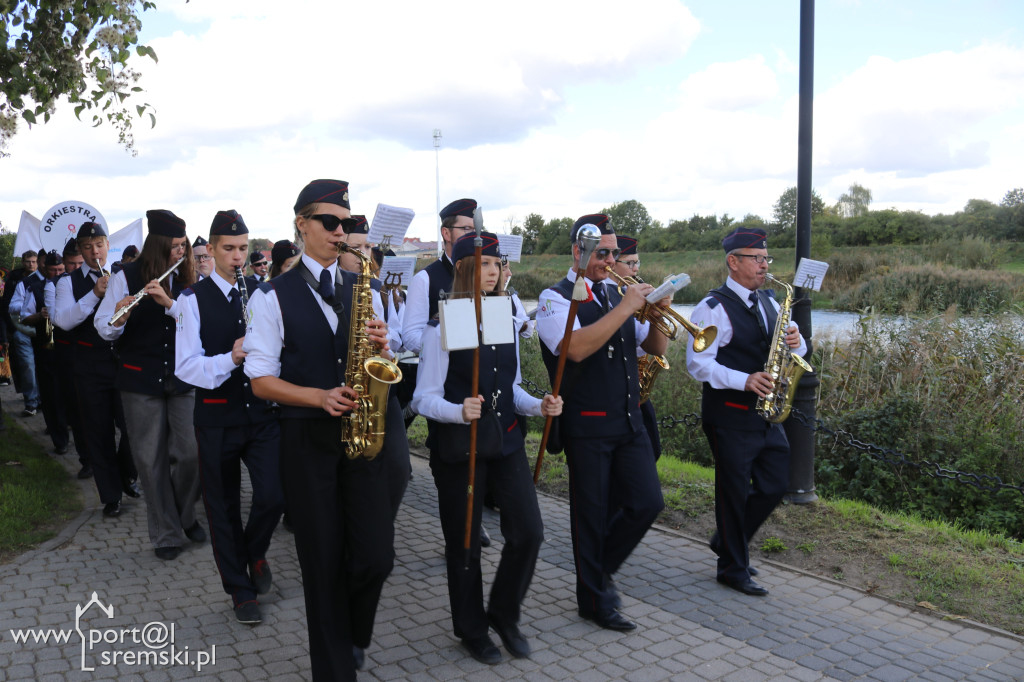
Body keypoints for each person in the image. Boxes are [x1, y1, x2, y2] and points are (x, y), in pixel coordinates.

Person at [243, 179, 399, 680]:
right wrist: (317, 396)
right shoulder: (271, 297)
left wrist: (383, 349)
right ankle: (334, 667)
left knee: (376, 557)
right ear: (302, 224)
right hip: (307, 444)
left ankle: (353, 634)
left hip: (361, 440)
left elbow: (379, 359)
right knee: (323, 565)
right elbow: (261, 381)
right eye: (329, 222)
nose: (339, 232)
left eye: (346, 224)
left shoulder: (364, 288)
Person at [413, 231, 561, 664]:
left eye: (497, 264)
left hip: (506, 439)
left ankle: (503, 611)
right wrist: (459, 411)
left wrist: (539, 404)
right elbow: (424, 398)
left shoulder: (506, 315)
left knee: (529, 532)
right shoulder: (444, 326)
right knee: (465, 543)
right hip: (461, 445)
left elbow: (509, 388)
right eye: (483, 265)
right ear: (463, 271)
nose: (493, 273)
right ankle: (471, 628)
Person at [536, 214, 669, 631]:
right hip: (588, 423)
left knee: (648, 502)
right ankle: (593, 597)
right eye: (603, 253)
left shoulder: (617, 293)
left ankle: (596, 576)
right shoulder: (553, 298)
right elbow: (573, 348)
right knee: (590, 517)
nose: (611, 260)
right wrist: (628, 306)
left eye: (615, 253)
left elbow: (651, 346)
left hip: (629, 419)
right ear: (579, 252)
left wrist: (658, 315)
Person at [175, 210, 284, 625]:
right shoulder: (191, 300)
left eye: (243, 249)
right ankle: (240, 591)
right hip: (217, 417)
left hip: (260, 414)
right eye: (229, 249)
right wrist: (231, 356)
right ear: (212, 250)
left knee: (274, 494)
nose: (238, 257)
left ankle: (253, 553)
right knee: (222, 508)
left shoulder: (260, 291)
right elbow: (187, 367)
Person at [686, 227, 806, 597]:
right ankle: (732, 568)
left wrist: (799, 341)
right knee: (733, 493)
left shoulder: (771, 301)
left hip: (766, 413)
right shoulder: (711, 307)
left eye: (766, 258)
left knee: (773, 484)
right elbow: (697, 364)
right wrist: (744, 380)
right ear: (732, 262)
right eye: (756, 259)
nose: (764, 265)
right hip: (729, 413)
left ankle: (726, 539)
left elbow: (792, 348)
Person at [95, 210, 203, 559]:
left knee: (190, 454)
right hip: (139, 379)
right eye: (174, 247)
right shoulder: (125, 277)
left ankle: (184, 515)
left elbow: (199, 327)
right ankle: (166, 533)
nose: (180, 253)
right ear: (156, 246)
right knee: (150, 459)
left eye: (183, 246)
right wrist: (121, 317)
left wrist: (170, 304)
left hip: (183, 377)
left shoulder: (190, 278)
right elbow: (104, 326)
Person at [401, 198, 493, 546]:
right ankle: (460, 526)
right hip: (443, 382)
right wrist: (441, 334)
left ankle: (472, 517)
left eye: (475, 229)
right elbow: (409, 335)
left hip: (479, 381)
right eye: (466, 229)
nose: (473, 235)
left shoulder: (485, 270)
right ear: (446, 233)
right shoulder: (426, 278)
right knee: (450, 457)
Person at [54, 222, 141, 503]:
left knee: (132, 428)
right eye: (88, 247)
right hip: (89, 367)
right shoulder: (68, 282)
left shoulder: (123, 275)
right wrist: (95, 294)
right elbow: (64, 321)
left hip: (122, 363)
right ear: (80, 249)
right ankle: (111, 496)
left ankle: (126, 473)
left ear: (107, 246)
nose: (95, 252)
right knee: (99, 431)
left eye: (100, 245)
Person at [337, 214, 410, 521]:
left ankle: (378, 527)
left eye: (367, 246)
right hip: (343, 391)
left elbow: (391, 339)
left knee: (398, 468)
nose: (364, 254)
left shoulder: (374, 287)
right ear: (339, 250)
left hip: (375, 387)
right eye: (356, 247)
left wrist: (384, 346)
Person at [609, 235, 662, 460]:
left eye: (637, 263)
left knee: (653, 451)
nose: (635, 269)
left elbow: (654, 348)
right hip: (611, 397)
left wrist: (657, 317)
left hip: (636, 391)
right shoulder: (607, 295)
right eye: (629, 263)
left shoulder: (636, 295)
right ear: (612, 263)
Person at [13, 250, 70, 453]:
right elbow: (24, 318)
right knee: (51, 393)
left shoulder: (70, 285)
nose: (58, 273)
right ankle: (59, 439)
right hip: (46, 348)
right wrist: (40, 314)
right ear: (45, 269)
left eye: (61, 269)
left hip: (69, 348)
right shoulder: (34, 287)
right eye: (53, 270)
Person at [5, 250, 40, 417]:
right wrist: (30, 305)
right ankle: (31, 402)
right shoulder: (21, 282)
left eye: (34, 261)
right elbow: (10, 306)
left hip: (44, 330)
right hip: (23, 329)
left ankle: (42, 400)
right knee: (27, 366)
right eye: (28, 261)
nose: (31, 265)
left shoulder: (53, 280)